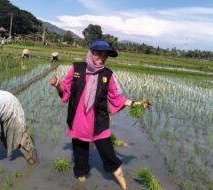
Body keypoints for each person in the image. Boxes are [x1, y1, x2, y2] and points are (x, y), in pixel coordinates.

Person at [49, 39, 150, 190]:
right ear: (91, 52)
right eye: (99, 54)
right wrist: (58, 85)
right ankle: (81, 184)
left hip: (99, 124)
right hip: (78, 123)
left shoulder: (107, 75)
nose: (102, 58)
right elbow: (66, 90)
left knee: (111, 158)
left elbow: (116, 97)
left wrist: (136, 104)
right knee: (80, 161)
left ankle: (124, 187)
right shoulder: (77, 68)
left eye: (105, 55)